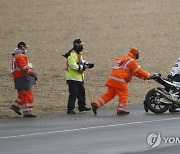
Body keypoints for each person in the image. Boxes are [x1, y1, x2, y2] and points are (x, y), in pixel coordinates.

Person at [91, 47, 152, 116]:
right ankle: (120, 110)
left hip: (112, 78)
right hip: (119, 79)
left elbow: (134, 72)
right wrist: (148, 75)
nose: (138, 55)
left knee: (110, 94)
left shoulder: (125, 58)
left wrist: (144, 77)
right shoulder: (131, 61)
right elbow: (139, 70)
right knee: (124, 94)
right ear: (135, 54)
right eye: (138, 54)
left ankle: (96, 104)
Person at [65, 40, 94, 114]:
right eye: (80, 45)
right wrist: (82, 67)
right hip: (72, 78)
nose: (82, 46)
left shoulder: (78, 54)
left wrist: (87, 64)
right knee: (73, 93)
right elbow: (72, 65)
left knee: (81, 92)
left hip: (78, 77)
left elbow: (81, 61)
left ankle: (82, 106)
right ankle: (70, 108)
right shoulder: (72, 54)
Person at [10, 41, 38, 118]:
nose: (26, 49)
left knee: (22, 94)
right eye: (25, 47)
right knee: (28, 94)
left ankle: (16, 106)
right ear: (22, 47)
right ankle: (27, 111)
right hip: (23, 77)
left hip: (18, 78)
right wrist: (32, 73)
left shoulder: (15, 56)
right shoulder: (20, 56)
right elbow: (23, 67)